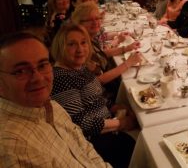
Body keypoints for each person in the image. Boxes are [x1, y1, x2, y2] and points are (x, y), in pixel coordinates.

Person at [0, 31, 110, 167]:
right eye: (21, 71)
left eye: (42, 65)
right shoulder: (11, 147)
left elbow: (85, 150)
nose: (38, 78)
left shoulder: (52, 106)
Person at [50, 24, 136, 168]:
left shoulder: (79, 67)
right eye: (71, 44)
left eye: (83, 42)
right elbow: (81, 123)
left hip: (108, 122)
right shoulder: (61, 77)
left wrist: (113, 106)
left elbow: (95, 97)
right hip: (94, 142)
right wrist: (121, 123)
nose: (80, 49)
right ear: (60, 47)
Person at [71, 1, 140, 102]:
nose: (95, 22)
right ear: (79, 23)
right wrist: (127, 63)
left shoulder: (89, 38)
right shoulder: (81, 45)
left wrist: (126, 48)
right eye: (89, 20)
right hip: (101, 97)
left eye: (97, 18)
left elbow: (100, 54)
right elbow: (99, 80)